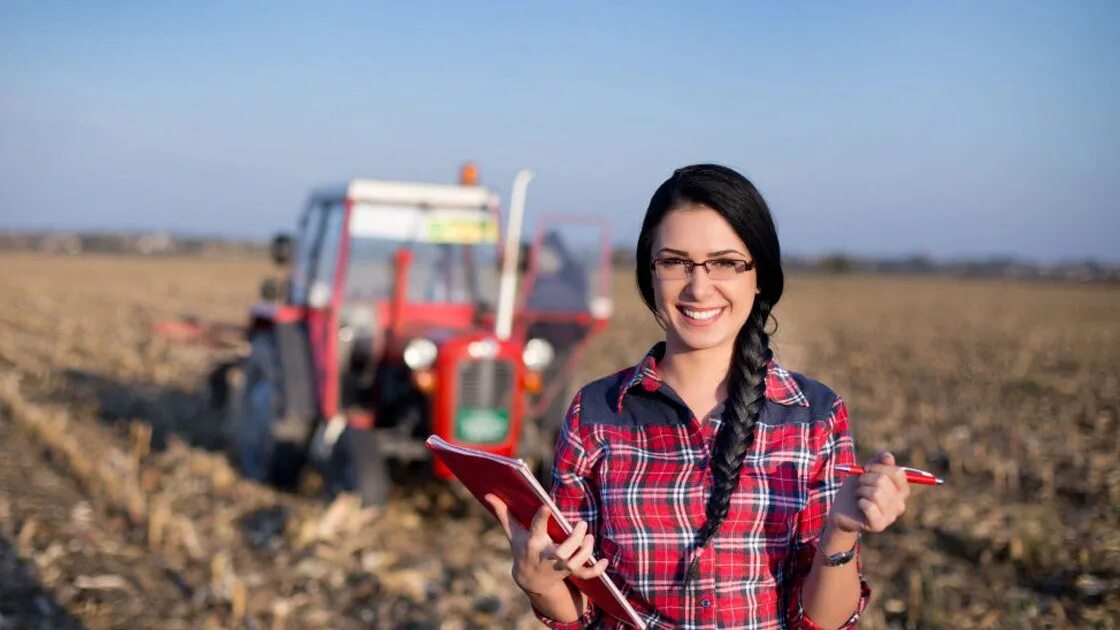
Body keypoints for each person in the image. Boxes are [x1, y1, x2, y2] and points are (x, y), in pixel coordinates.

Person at [486, 164, 911, 629]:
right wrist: (543, 584)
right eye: (674, 262)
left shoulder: (813, 416)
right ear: (649, 273)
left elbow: (823, 624)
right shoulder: (596, 414)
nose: (698, 286)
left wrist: (841, 532)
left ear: (760, 275)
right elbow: (583, 611)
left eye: (725, 262)